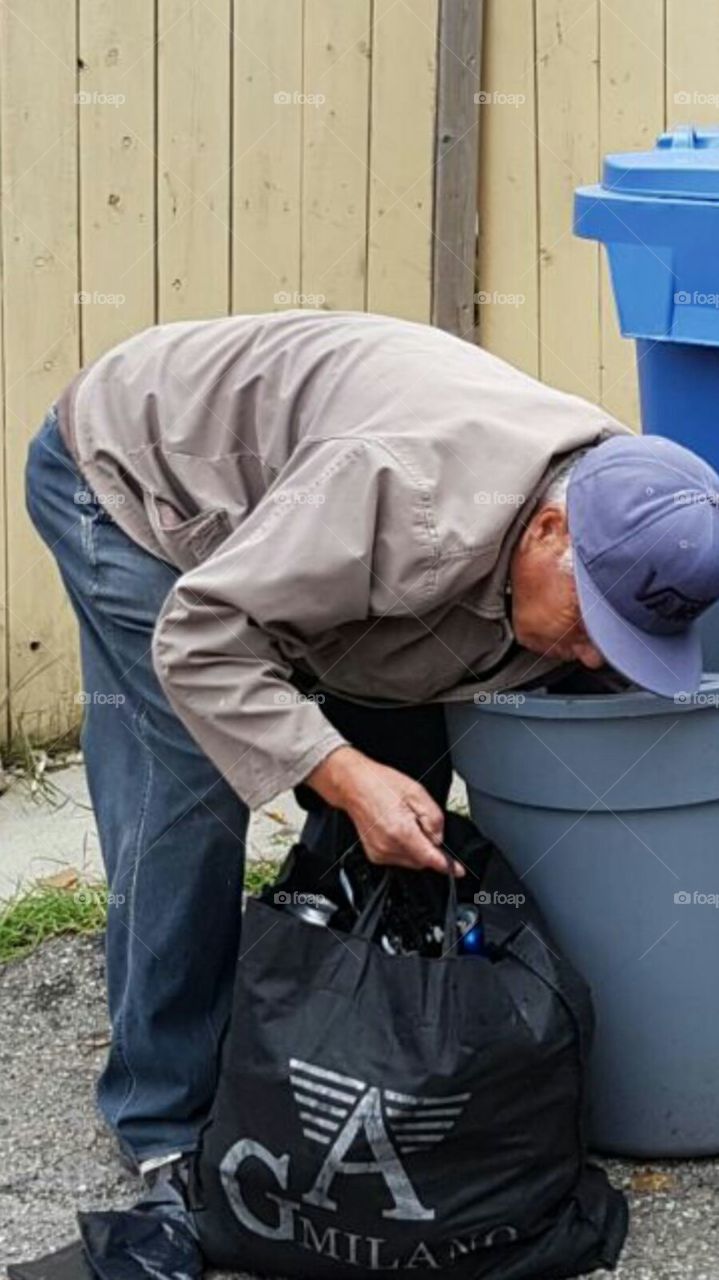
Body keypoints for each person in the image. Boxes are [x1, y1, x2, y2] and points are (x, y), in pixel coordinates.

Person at [24, 309, 719, 1208]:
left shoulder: (637, 506)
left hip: (325, 513)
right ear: (548, 532)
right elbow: (202, 643)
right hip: (142, 477)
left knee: (407, 774)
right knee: (185, 800)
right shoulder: (400, 499)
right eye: (591, 625)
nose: (592, 657)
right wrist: (340, 772)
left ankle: (324, 1012)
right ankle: (165, 1115)